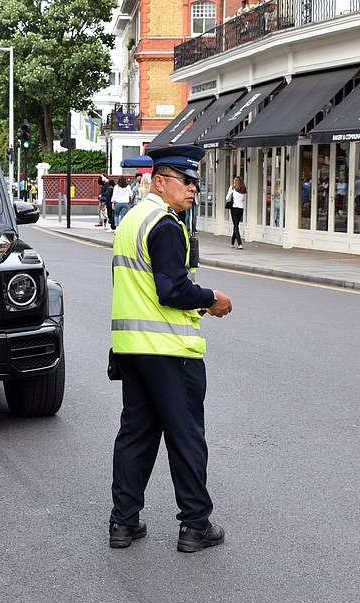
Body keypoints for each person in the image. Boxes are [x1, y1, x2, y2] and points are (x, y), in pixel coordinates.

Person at [109, 143, 233, 553]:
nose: (193, 188)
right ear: (160, 182)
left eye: (196, 181)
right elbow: (171, 290)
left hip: (132, 349)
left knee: (136, 436)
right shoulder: (164, 224)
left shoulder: (132, 219)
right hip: (169, 350)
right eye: (186, 180)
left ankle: (123, 524)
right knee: (186, 438)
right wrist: (211, 297)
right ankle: (195, 524)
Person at [226, 175, 247, 249]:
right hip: (241, 209)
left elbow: (227, 197)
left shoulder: (232, 188)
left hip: (234, 208)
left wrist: (231, 192)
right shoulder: (243, 189)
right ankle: (232, 242)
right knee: (236, 225)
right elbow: (243, 199)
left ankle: (239, 243)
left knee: (235, 226)